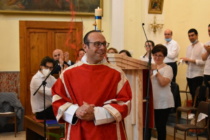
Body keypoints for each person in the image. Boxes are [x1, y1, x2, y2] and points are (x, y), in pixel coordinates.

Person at [51, 30, 132, 140]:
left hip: (108, 131)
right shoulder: (68, 73)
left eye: (104, 44)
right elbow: (57, 100)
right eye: (97, 44)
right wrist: (76, 111)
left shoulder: (117, 73)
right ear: (85, 47)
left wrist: (96, 113)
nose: (102, 47)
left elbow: (124, 102)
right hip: (79, 129)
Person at [151, 44, 174, 140]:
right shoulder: (150, 67)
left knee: (160, 127)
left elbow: (163, 83)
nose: (157, 57)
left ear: (164, 56)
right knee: (150, 126)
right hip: (152, 101)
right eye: (155, 55)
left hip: (163, 102)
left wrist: (156, 71)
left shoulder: (168, 68)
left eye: (160, 55)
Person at [180, 28, 205, 106]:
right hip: (189, 74)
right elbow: (189, 61)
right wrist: (186, 61)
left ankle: (197, 112)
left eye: (192, 35)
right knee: (192, 93)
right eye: (189, 36)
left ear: (197, 35)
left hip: (198, 74)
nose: (191, 37)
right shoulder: (188, 47)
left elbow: (203, 62)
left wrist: (190, 60)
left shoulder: (202, 46)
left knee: (198, 95)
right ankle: (194, 111)